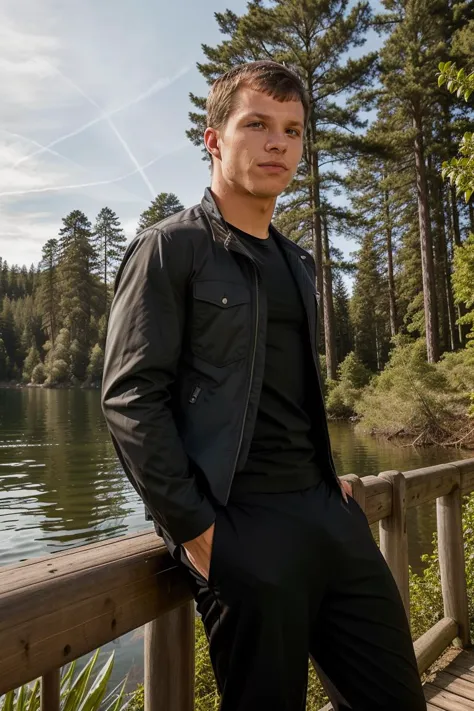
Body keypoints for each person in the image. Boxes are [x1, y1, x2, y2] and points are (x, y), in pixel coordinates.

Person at [101, 60, 426, 711]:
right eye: (257, 124)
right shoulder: (171, 249)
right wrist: (198, 532)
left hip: (329, 519)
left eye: (292, 129)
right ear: (214, 138)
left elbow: (288, 386)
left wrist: (325, 474)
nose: (278, 142)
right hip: (240, 529)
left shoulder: (297, 262)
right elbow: (130, 399)